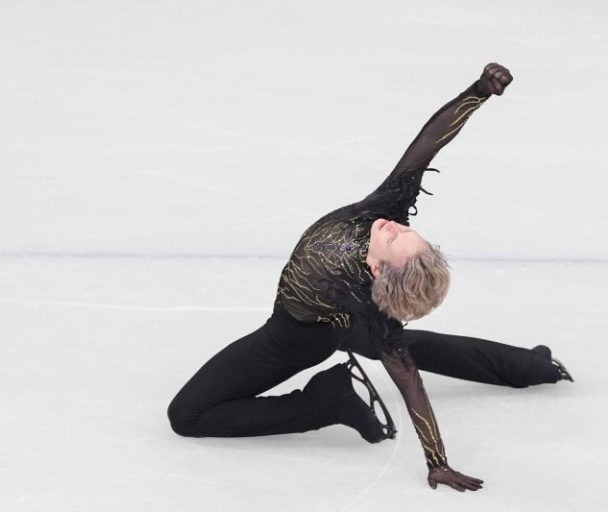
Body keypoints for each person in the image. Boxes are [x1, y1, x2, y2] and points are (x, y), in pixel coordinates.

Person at [166, 63, 572, 492]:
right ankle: (527, 366)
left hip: (296, 337)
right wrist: (479, 92)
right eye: (409, 232)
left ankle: (323, 403)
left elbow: (409, 381)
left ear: (377, 270)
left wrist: (438, 462)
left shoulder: (342, 275)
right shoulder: (387, 211)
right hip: (342, 318)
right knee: (396, 343)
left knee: (186, 417)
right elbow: (429, 143)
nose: (396, 227)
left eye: (397, 238)